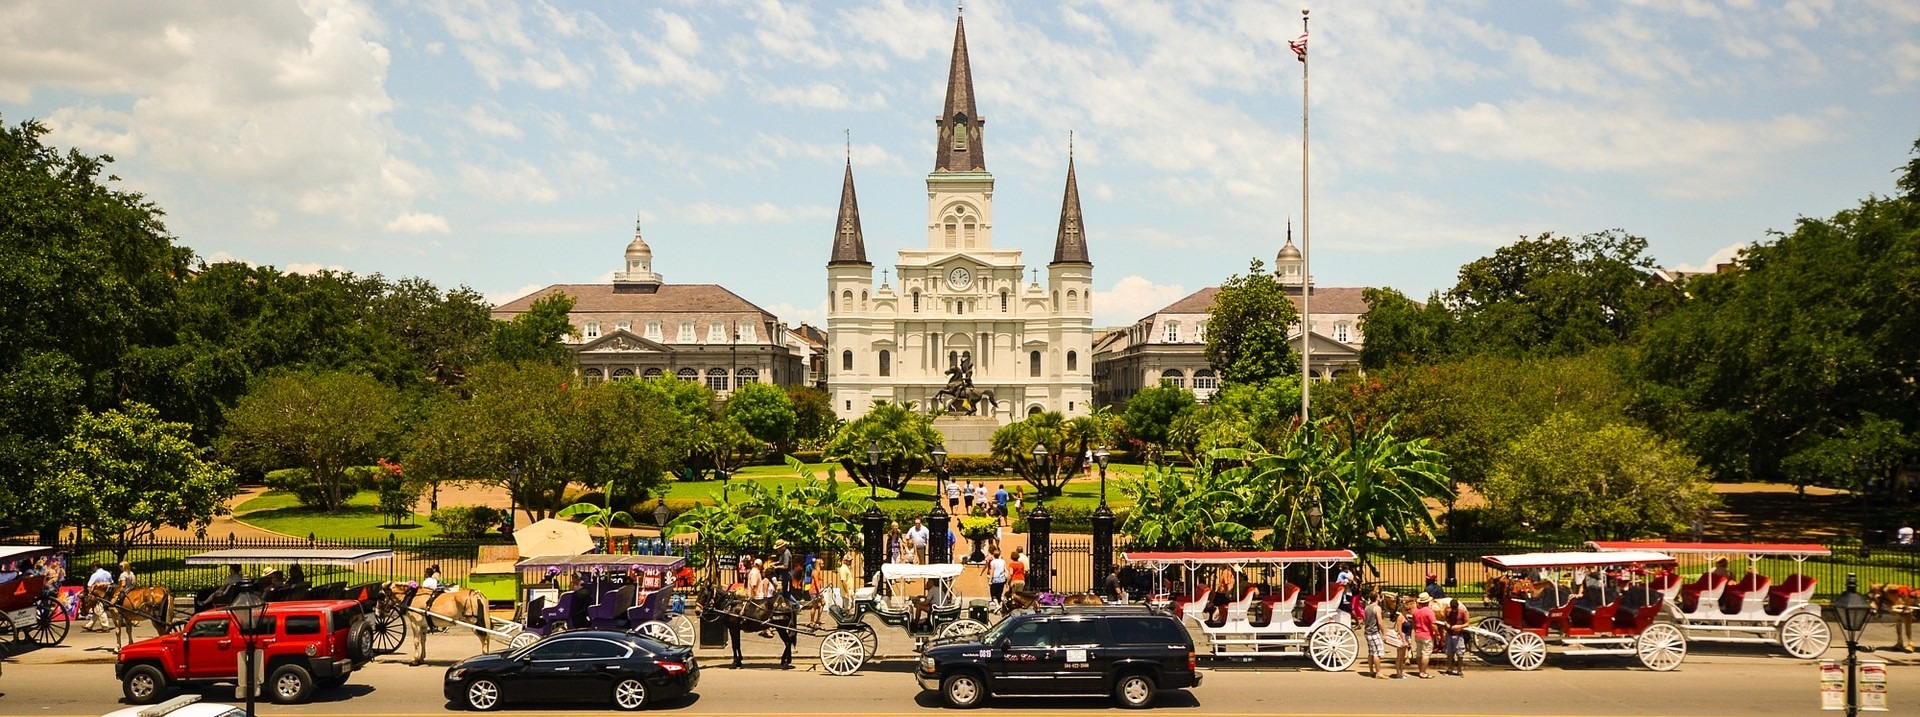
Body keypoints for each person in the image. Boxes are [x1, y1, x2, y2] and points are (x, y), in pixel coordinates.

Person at [1363, 587, 1389, 679]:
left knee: (1371, 652)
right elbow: (1380, 621)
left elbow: (1364, 619)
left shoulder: (1367, 607)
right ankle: (1378, 672)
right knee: (1377, 653)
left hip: (1367, 632)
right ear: (1377, 598)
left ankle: (1371, 670)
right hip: (1374, 632)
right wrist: (1384, 633)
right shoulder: (1377, 608)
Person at [1443, 597, 1470, 677]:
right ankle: (1449, 669)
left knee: (1460, 654)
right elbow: (1445, 620)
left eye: (1455, 608)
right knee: (1449, 653)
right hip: (1449, 634)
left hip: (1458, 635)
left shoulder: (1462, 613)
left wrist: (1459, 626)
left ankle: (1459, 670)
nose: (1454, 610)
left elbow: (1467, 623)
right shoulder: (1448, 612)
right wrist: (1447, 624)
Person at [1411, 593, 1437, 679]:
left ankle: (1420, 670)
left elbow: (1414, 624)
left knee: (1419, 654)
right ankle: (1423, 672)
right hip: (1427, 635)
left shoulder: (1415, 611)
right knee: (1426, 654)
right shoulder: (1429, 611)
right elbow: (1433, 625)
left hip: (1418, 634)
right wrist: (1437, 634)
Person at [83, 564, 113, 632]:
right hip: (107, 593)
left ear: (95, 567)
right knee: (97, 610)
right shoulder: (107, 573)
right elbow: (111, 583)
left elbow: (89, 585)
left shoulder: (95, 575)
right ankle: (89, 625)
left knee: (99, 610)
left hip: (97, 593)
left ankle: (105, 627)